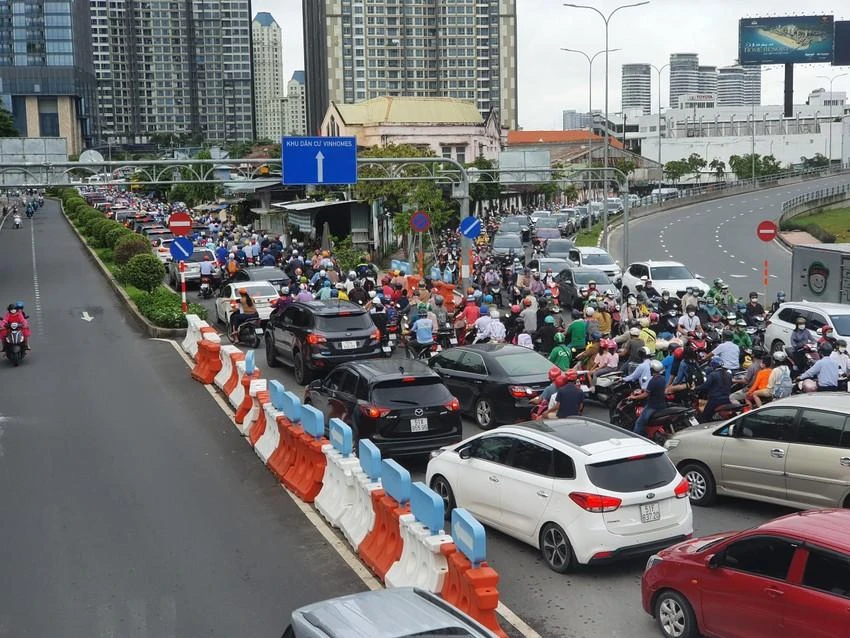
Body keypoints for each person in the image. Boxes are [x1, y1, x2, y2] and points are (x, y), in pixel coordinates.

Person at [631, 360, 666, 436]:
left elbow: (645, 395)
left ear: (652, 370)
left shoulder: (653, 381)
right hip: (662, 405)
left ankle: (634, 437)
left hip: (652, 406)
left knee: (639, 423)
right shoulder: (662, 379)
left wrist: (634, 397)